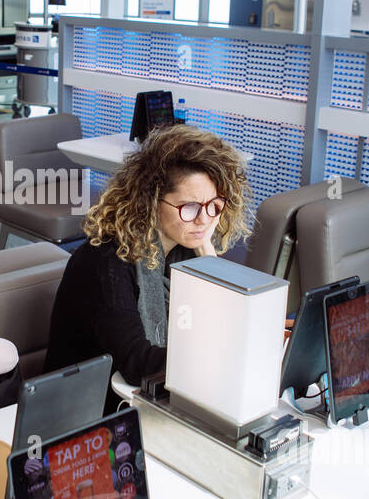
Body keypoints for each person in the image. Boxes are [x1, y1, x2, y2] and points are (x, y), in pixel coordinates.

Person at [43, 125, 252, 387]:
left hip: (148, 394)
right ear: (150, 201)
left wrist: (208, 260)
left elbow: (220, 327)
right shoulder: (105, 262)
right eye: (189, 207)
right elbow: (137, 365)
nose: (203, 219)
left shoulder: (186, 250)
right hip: (96, 400)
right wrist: (222, 359)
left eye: (214, 206)